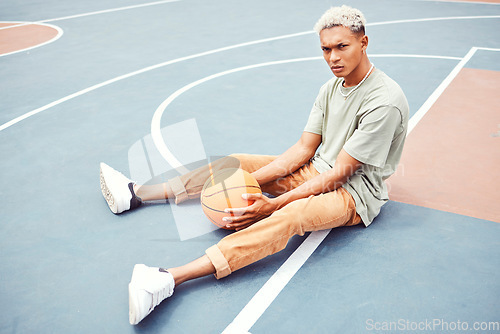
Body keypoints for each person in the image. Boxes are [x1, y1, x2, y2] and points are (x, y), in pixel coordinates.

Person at [99, 5, 409, 325]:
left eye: (341, 47)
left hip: (354, 192)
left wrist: (272, 205)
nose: (333, 58)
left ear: (364, 43)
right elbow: (303, 148)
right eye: (326, 49)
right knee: (236, 163)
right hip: (316, 168)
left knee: (291, 214)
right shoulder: (330, 88)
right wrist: (245, 181)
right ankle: (137, 193)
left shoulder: (383, 100)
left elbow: (341, 172)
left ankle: (168, 279)